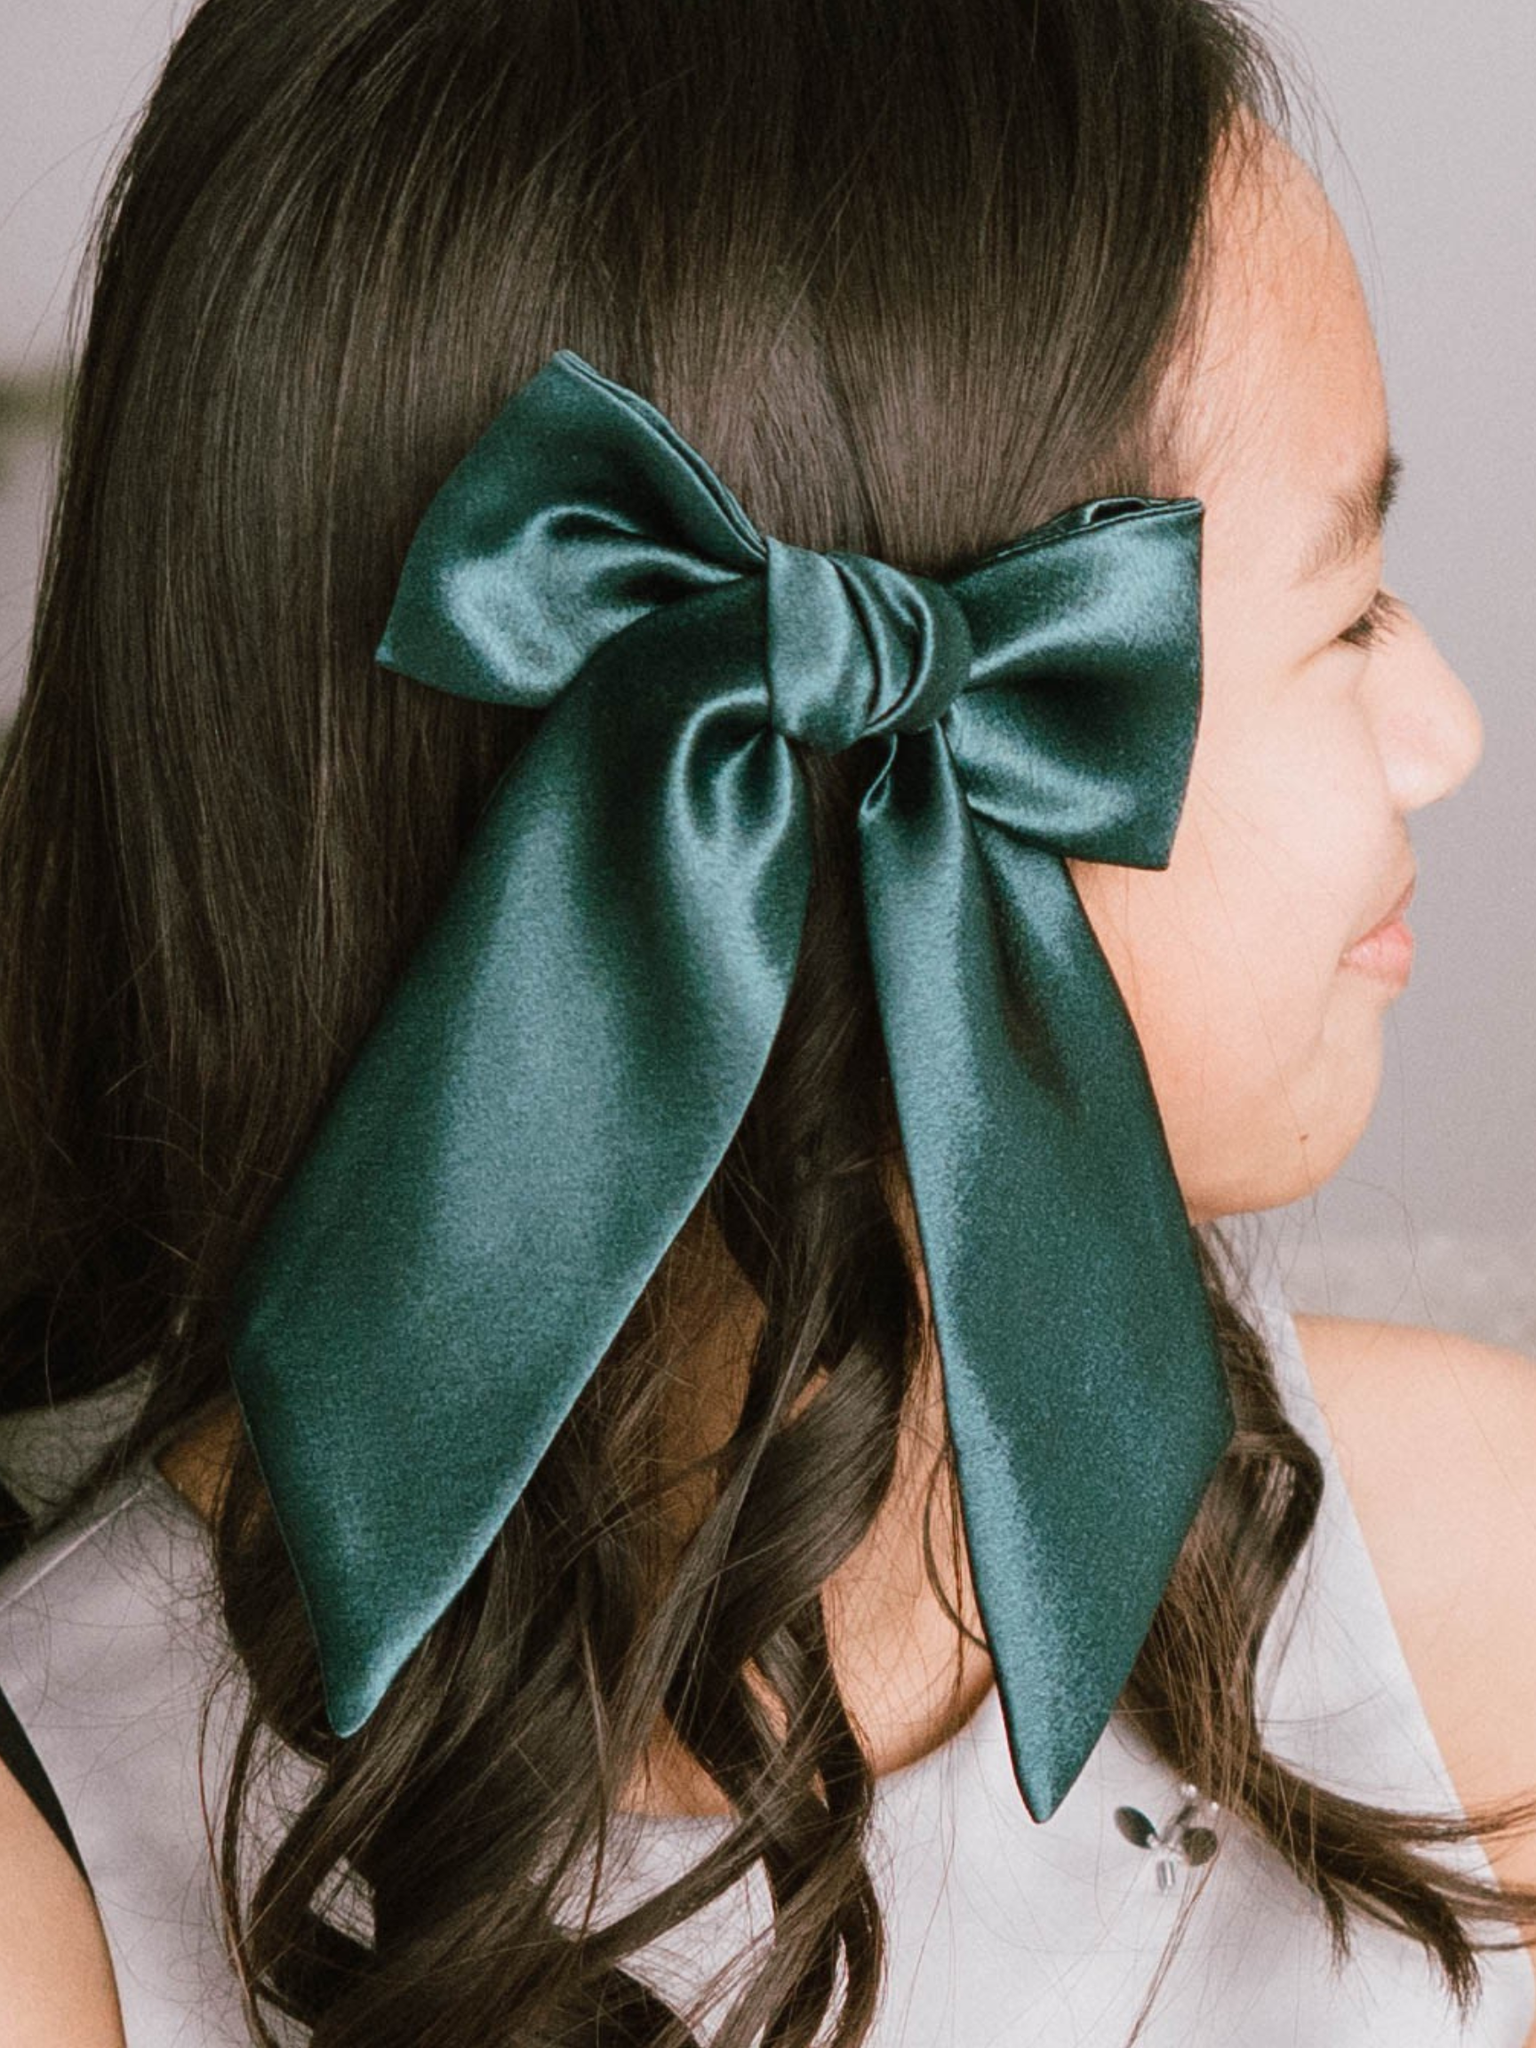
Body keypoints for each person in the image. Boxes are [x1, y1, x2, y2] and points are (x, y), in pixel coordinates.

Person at [0, 0, 1533, 2042]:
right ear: (869, 810)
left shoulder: (1464, 1573)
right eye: (1348, 613)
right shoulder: (56, 1872)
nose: (1446, 729)